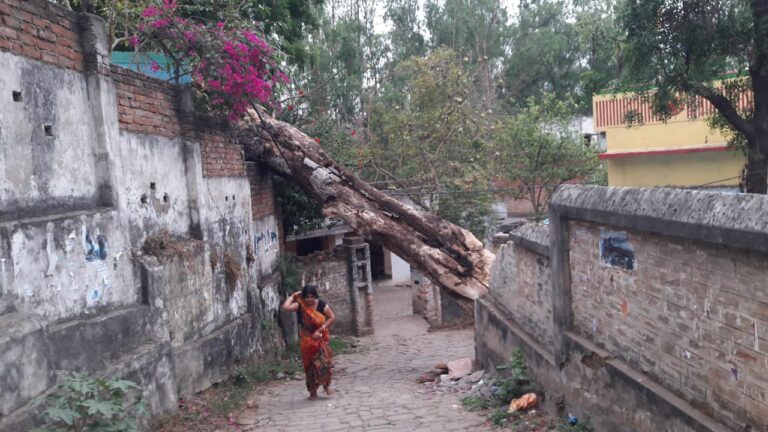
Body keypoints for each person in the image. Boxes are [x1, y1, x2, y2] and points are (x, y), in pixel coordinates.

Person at [281, 285, 337, 399]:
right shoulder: (300, 306)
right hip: (307, 341)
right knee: (309, 366)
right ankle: (312, 391)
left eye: (312, 297)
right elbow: (286, 307)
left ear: (315, 296)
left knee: (324, 363)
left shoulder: (321, 305)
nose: (309, 299)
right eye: (307, 297)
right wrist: (293, 296)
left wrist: (320, 330)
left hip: (320, 338)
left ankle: (326, 386)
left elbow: (332, 317)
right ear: (303, 297)